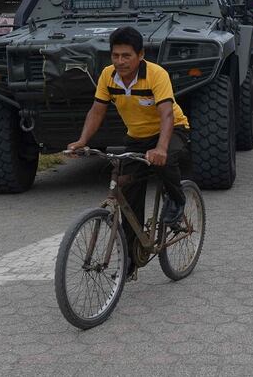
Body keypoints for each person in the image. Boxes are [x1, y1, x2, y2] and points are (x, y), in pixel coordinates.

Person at [68, 26, 191, 273]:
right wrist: (82, 141)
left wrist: (161, 148)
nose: (120, 61)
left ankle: (177, 201)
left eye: (127, 56)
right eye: (116, 55)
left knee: (164, 162)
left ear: (140, 55)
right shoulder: (107, 76)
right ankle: (132, 260)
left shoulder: (156, 74)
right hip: (137, 137)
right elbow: (97, 110)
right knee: (127, 187)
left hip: (173, 129)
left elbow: (166, 113)